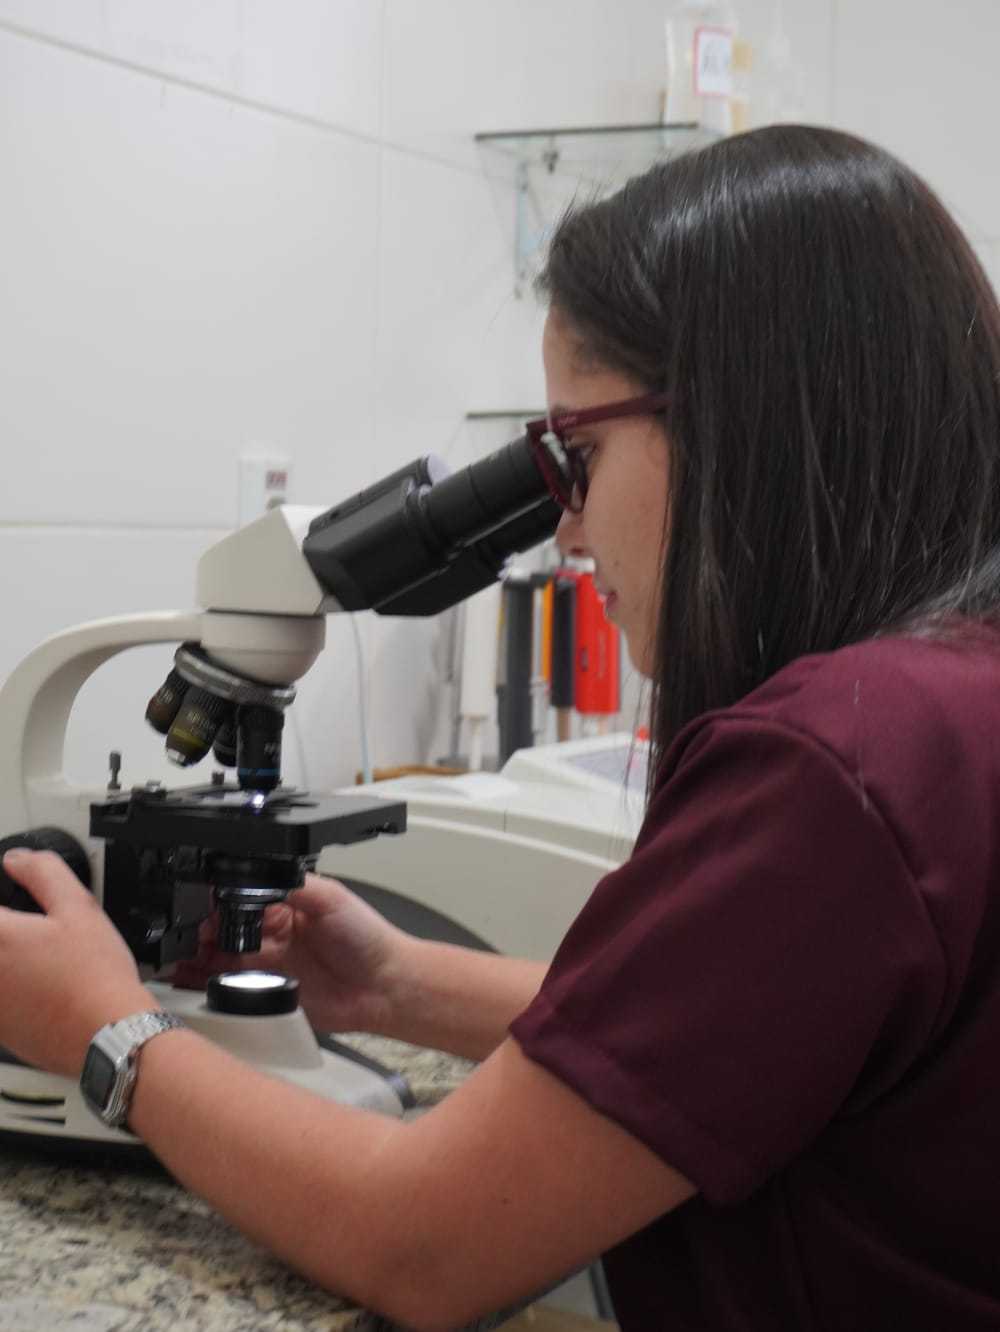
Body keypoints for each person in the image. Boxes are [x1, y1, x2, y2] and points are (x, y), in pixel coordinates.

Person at [2, 122, 1000, 1331]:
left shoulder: (832, 763)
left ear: (737, 423)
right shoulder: (945, 699)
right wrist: (395, 986)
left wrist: (111, 1032)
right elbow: (725, 1035)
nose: (567, 536)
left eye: (575, 456)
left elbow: (422, 1244)